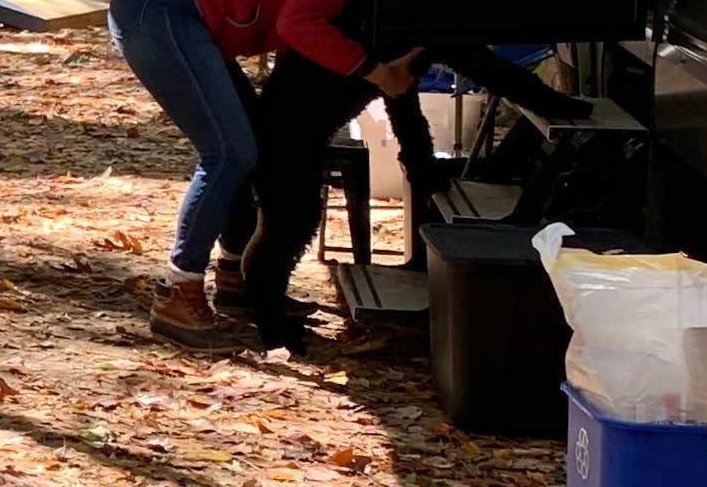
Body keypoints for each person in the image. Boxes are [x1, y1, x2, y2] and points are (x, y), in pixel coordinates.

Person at [106, 0, 417, 344]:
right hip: (160, 4)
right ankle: (178, 289)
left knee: (253, 139)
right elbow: (298, 25)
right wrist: (377, 72)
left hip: (180, 7)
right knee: (229, 153)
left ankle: (234, 275)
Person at [233, 31, 586, 350]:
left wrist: (420, 160)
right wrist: (555, 104)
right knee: (288, 227)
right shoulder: (414, 29)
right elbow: (486, 71)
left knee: (287, 225)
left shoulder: (397, 25)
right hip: (288, 131)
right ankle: (269, 323)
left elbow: (403, 92)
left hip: (292, 125)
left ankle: (269, 314)